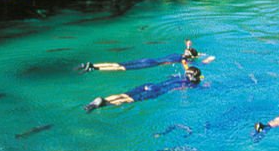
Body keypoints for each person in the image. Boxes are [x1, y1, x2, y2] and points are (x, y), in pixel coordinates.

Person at [84, 62, 204, 113]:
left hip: (150, 85)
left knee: (123, 95)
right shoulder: (190, 84)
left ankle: (103, 99)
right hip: (156, 91)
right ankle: (104, 104)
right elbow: (182, 89)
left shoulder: (177, 76)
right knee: (128, 100)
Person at [77, 40, 213, 72]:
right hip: (150, 64)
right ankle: (94, 69)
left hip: (149, 60)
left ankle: (93, 64)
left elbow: (189, 50)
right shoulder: (184, 59)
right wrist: (202, 62)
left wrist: (192, 48)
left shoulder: (182, 53)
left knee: (119, 63)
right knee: (121, 68)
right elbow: (186, 67)